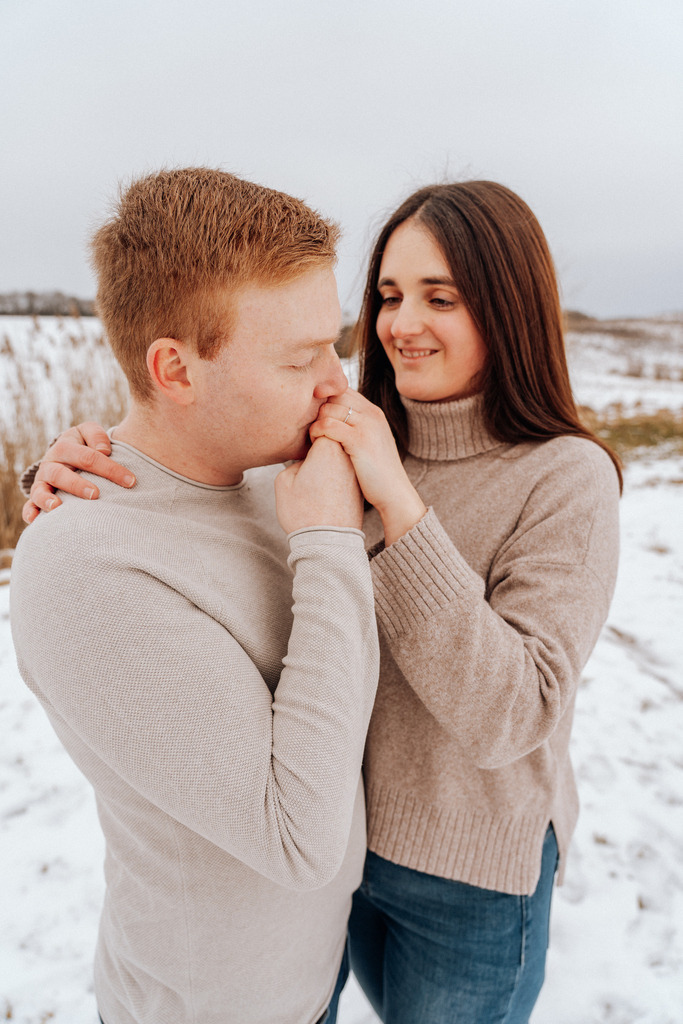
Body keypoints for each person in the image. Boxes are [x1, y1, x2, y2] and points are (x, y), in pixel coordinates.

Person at [24, 180, 621, 1024]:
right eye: (388, 295)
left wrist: (393, 511)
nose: (398, 325)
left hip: (467, 874)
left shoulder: (553, 475)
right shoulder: (321, 446)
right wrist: (79, 471)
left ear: (508, 308)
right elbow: (178, 470)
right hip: (338, 863)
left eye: (440, 297)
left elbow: (510, 716)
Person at [11, 167, 380, 1024]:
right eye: (300, 358)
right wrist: (329, 541)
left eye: (333, 345)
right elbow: (297, 840)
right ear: (174, 369)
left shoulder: (271, 474)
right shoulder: (84, 568)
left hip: (309, 974)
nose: (336, 382)